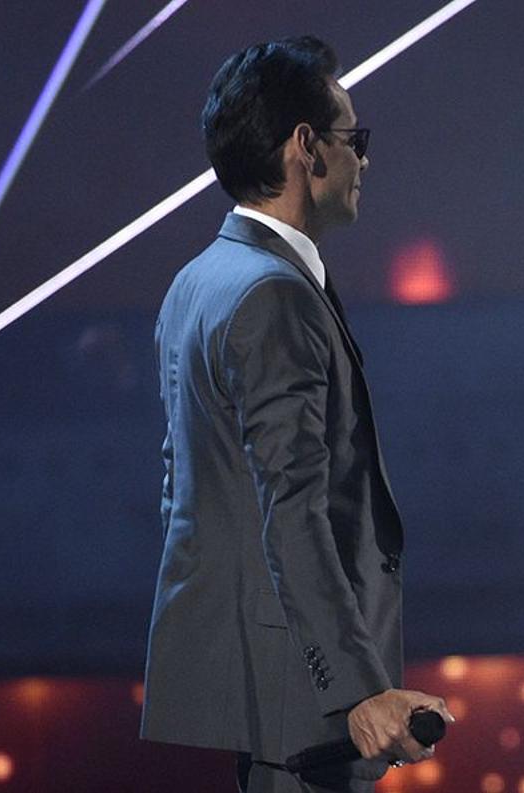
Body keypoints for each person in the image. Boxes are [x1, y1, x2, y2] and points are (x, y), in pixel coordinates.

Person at [141, 36, 452, 793]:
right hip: (303, 699)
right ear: (305, 148)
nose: (364, 160)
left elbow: (185, 488)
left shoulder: (197, 281)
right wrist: (354, 690)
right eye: (354, 139)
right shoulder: (274, 294)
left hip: (254, 676)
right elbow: (293, 507)